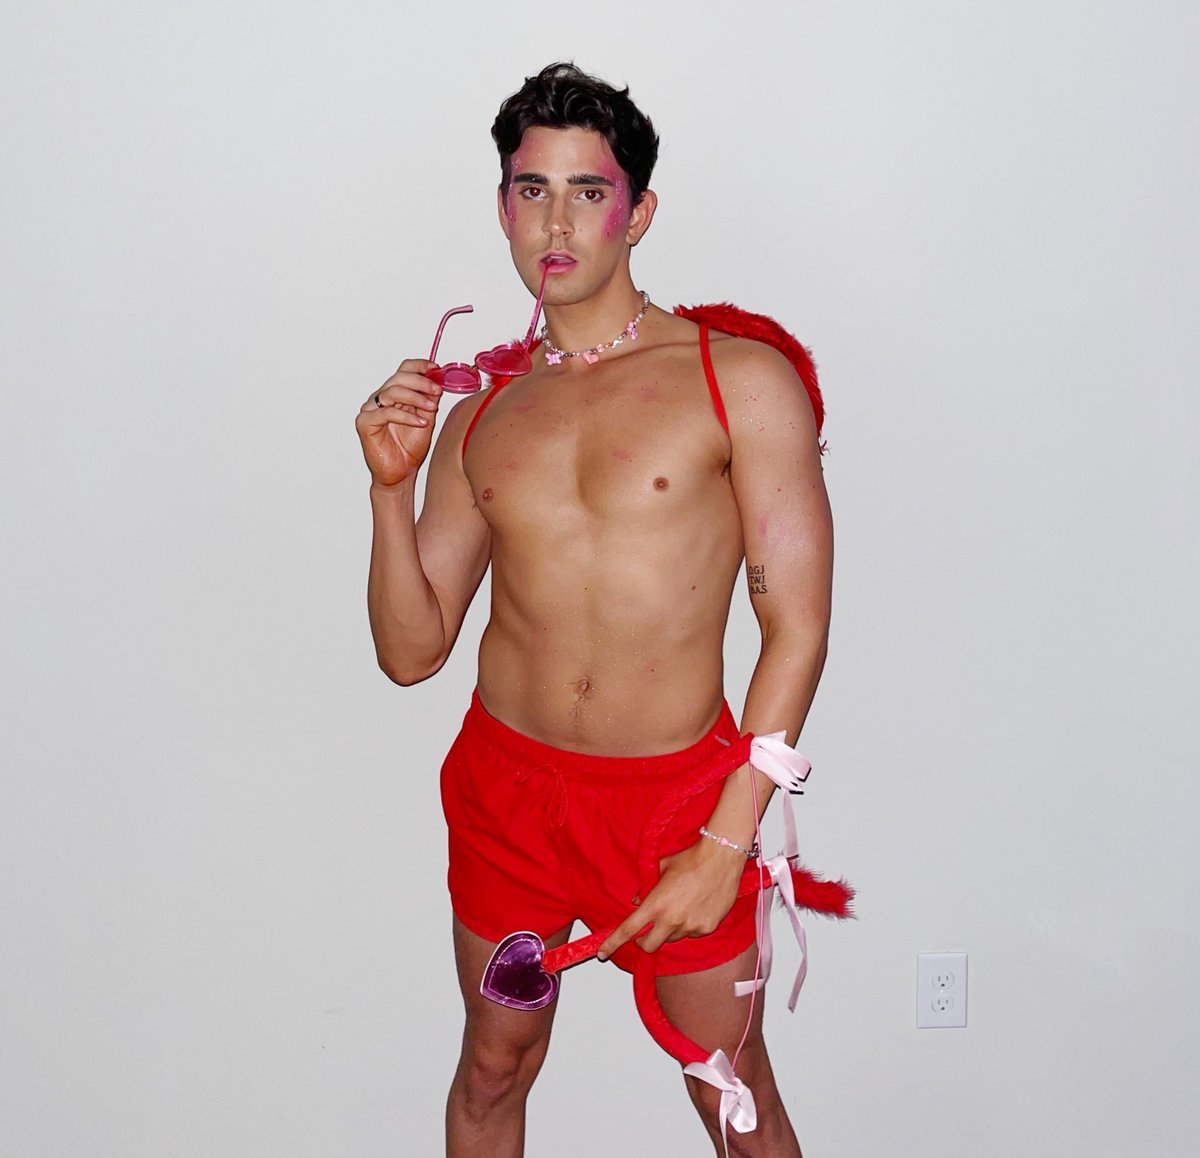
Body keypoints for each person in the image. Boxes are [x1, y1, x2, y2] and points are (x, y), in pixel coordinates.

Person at [356, 62, 833, 1158]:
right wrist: (389, 489)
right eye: (533, 190)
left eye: (588, 191)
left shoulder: (738, 380)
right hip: (509, 795)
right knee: (492, 1067)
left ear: (639, 212)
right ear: (503, 208)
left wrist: (727, 838)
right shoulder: (483, 413)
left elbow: (798, 627)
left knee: (732, 1090)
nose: (557, 221)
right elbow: (410, 651)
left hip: (676, 805)